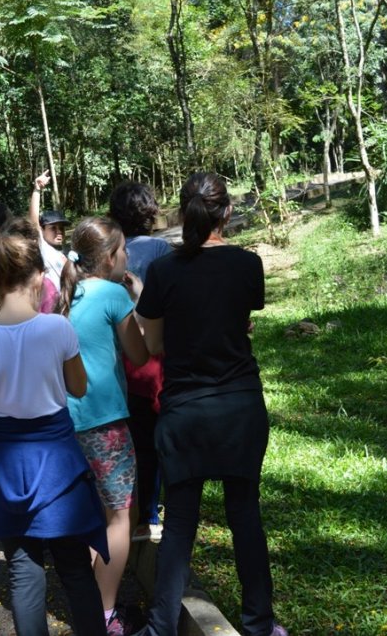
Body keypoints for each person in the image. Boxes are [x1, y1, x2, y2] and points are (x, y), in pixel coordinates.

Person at [133, 173, 286, 636]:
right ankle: (259, 624)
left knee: (180, 525)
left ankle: (160, 627)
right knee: (246, 516)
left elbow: (153, 343)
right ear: (227, 212)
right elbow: (239, 321)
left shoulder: (163, 271)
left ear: (182, 213)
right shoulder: (248, 263)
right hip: (240, 406)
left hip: (185, 411)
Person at [0, 229, 108, 636]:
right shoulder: (58, 329)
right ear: (39, 276)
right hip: (57, 462)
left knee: (23, 572)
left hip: (5, 465)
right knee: (75, 567)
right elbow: (78, 387)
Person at [58, 217, 149, 635]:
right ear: (111, 257)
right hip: (106, 423)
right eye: (124, 249)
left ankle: (95, 600)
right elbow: (140, 354)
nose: (128, 256)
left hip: (66, 423)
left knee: (97, 513)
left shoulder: (65, 294)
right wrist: (138, 297)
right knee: (120, 517)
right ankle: (106, 614)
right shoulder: (114, 294)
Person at [107, 182, 171, 543]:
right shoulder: (160, 249)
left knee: (130, 440)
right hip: (152, 355)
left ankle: (128, 511)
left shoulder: (109, 251)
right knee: (153, 441)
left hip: (117, 357)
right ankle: (150, 512)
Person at [29, 170, 69, 292]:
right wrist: (37, 190)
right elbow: (33, 221)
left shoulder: (62, 254)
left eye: (61, 228)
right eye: (53, 228)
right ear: (42, 230)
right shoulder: (44, 249)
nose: (59, 231)